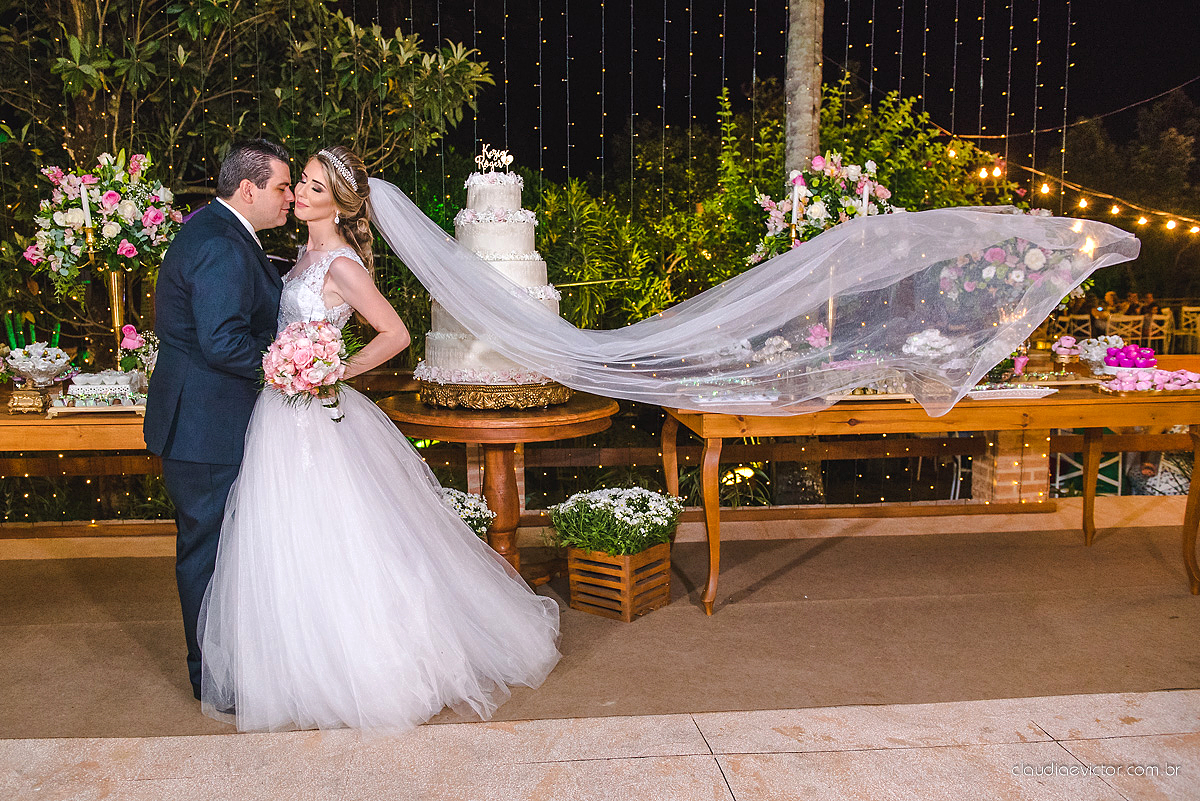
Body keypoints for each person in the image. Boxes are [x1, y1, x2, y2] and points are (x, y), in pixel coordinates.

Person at [198, 146, 560, 732]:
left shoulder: (341, 264)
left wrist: (331, 369)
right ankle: (296, 667)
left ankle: (364, 669)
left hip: (315, 414)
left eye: (313, 188)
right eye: (299, 185)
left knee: (338, 538)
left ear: (339, 204)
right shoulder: (298, 258)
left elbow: (395, 333)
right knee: (283, 538)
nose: (299, 196)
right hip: (278, 415)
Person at [144, 139, 294, 703]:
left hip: (208, 420)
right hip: (205, 427)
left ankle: (234, 668)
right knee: (207, 553)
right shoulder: (221, 245)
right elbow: (223, 341)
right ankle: (213, 679)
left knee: (225, 547)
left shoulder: (218, 230)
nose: (288, 199)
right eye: (281, 187)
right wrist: (292, 365)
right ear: (249, 189)